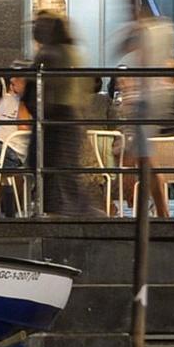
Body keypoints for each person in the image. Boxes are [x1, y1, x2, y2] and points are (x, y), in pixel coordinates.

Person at [31, 11, 100, 217]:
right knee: (65, 172)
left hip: (55, 119)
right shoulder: (72, 51)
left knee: (50, 168)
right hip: (71, 118)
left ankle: (66, 214)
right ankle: (74, 212)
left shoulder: (49, 53)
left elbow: (42, 88)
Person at [115, 0, 174, 216]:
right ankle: (153, 210)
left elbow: (121, 48)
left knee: (144, 159)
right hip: (159, 97)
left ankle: (157, 212)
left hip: (147, 100)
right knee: (143, 158)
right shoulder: (165, 27)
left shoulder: (144, 30)